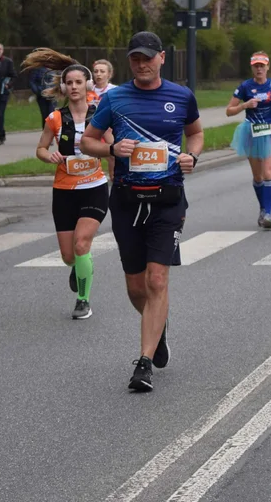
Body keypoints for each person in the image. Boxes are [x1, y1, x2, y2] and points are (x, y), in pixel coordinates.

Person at [80, 31, 203, 393]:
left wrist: (191, 156)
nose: (142, 64)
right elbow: (88, 140)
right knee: (136, 287)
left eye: (148, 57)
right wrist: (112, 149)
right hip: (126, 199)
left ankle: (144, 362)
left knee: (157, 280)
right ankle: (158, 326)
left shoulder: (181, 97)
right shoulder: (114, 99)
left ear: (162, 58)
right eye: (135, 58)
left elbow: (195, 133)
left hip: (167, 200)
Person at [29, 49, 113, 320]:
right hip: (64, 190)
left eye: (80, 82)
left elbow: (112, 146)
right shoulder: (55, 118)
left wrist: (110, 165)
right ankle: (78, 267)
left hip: (95, 187)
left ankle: (83, 300)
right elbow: (40, 149)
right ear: (64, 87)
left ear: (88, 85)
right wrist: (49, 156)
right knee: (68, 255)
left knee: (81, 244)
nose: (75, 87)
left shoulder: (100, 115)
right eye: (70, 83)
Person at [227, 51, 271, 229]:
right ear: (252, 67)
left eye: (262, 66)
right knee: (258, 177)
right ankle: (263, 209)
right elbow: (229, 110)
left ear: (267, 67)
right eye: (256, 66)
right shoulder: (245, 87)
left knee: (268, 174)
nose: (259, 69)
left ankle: (268, 214)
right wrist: (244, 105)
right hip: (252, 132)